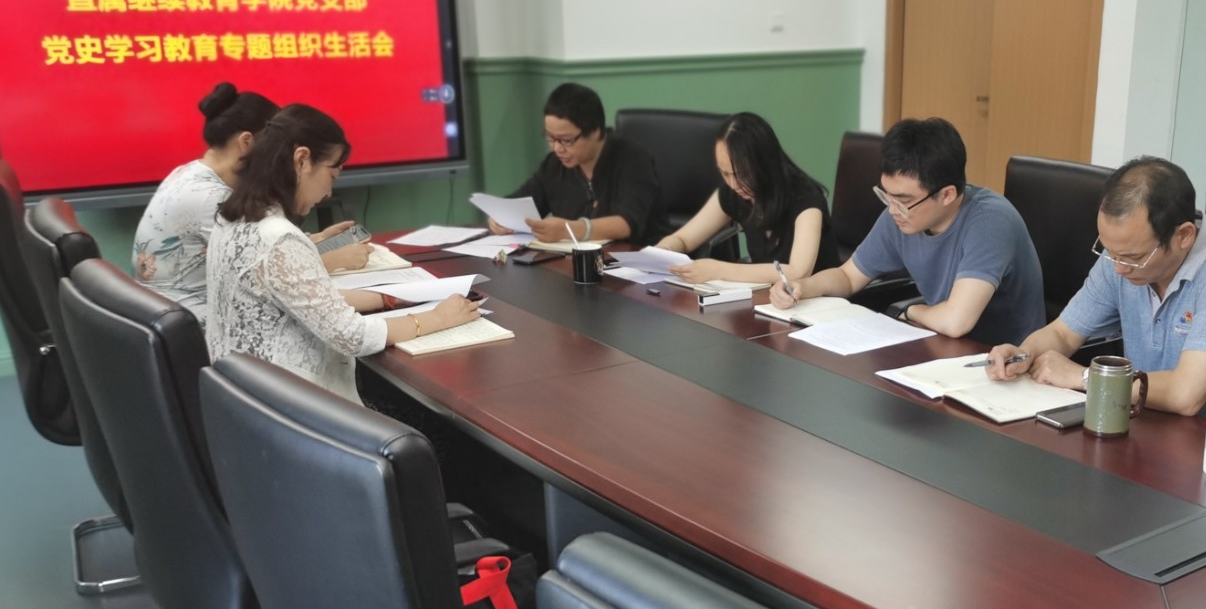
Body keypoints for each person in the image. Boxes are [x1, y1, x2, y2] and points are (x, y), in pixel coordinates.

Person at [985, 156, 1206, 430]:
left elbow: (1185, 395)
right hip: (1150, 416)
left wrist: (1084, 377)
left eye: (1133, 258)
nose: (1119, 268)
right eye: (1109, 251)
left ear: (1184, 235)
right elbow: (1063, 334)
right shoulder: (1121, 254)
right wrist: (1024, 354)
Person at [207, 104, 478, 405]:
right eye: (332, 175)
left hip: (242, 399)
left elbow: (305, 296)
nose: (328, 193)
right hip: (290, 407)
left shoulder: (233, 219)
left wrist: (390, 298)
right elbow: (352, 336)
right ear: (302, 160)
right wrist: (437, 317)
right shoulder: (279, 238)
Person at [768, 117, 1043, 346]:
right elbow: (848, 277)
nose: (892, 210)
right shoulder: (902, 214)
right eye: (886, 195)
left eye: (903, 200)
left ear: (947, 195)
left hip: (1003, 362)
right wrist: (803, 287)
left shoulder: (990, 222)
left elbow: (956, 321)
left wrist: (911, 310)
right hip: (941, 347)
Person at [133, 84, 372, 326]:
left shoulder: (189, 173)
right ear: (247, 142)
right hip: (196, 324)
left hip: (170, 312)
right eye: (272, 143)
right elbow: (272, 280)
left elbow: (259, 258)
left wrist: (316, 240)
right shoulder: (212, 199)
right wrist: (336, 259)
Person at [655, 112, 840, 285]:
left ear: (765, 164)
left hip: (819, 303)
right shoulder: (734, 193)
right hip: (769, 300)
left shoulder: (806, 199)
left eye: (742, 174)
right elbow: (684, 239)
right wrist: (662, 252)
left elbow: (798, 272)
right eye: (725, 174)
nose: (734, 184)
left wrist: (719, 270)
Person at [486, 82, 659, 245]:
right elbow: (522, 203)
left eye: (566, 140)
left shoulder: (633, 159)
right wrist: (500, 217)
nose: (557, 148)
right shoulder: (554, 165)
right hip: (576, 260)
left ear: (595, 131)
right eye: (550, 137)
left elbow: (628, 223)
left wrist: (569, 230)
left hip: (637, 259)